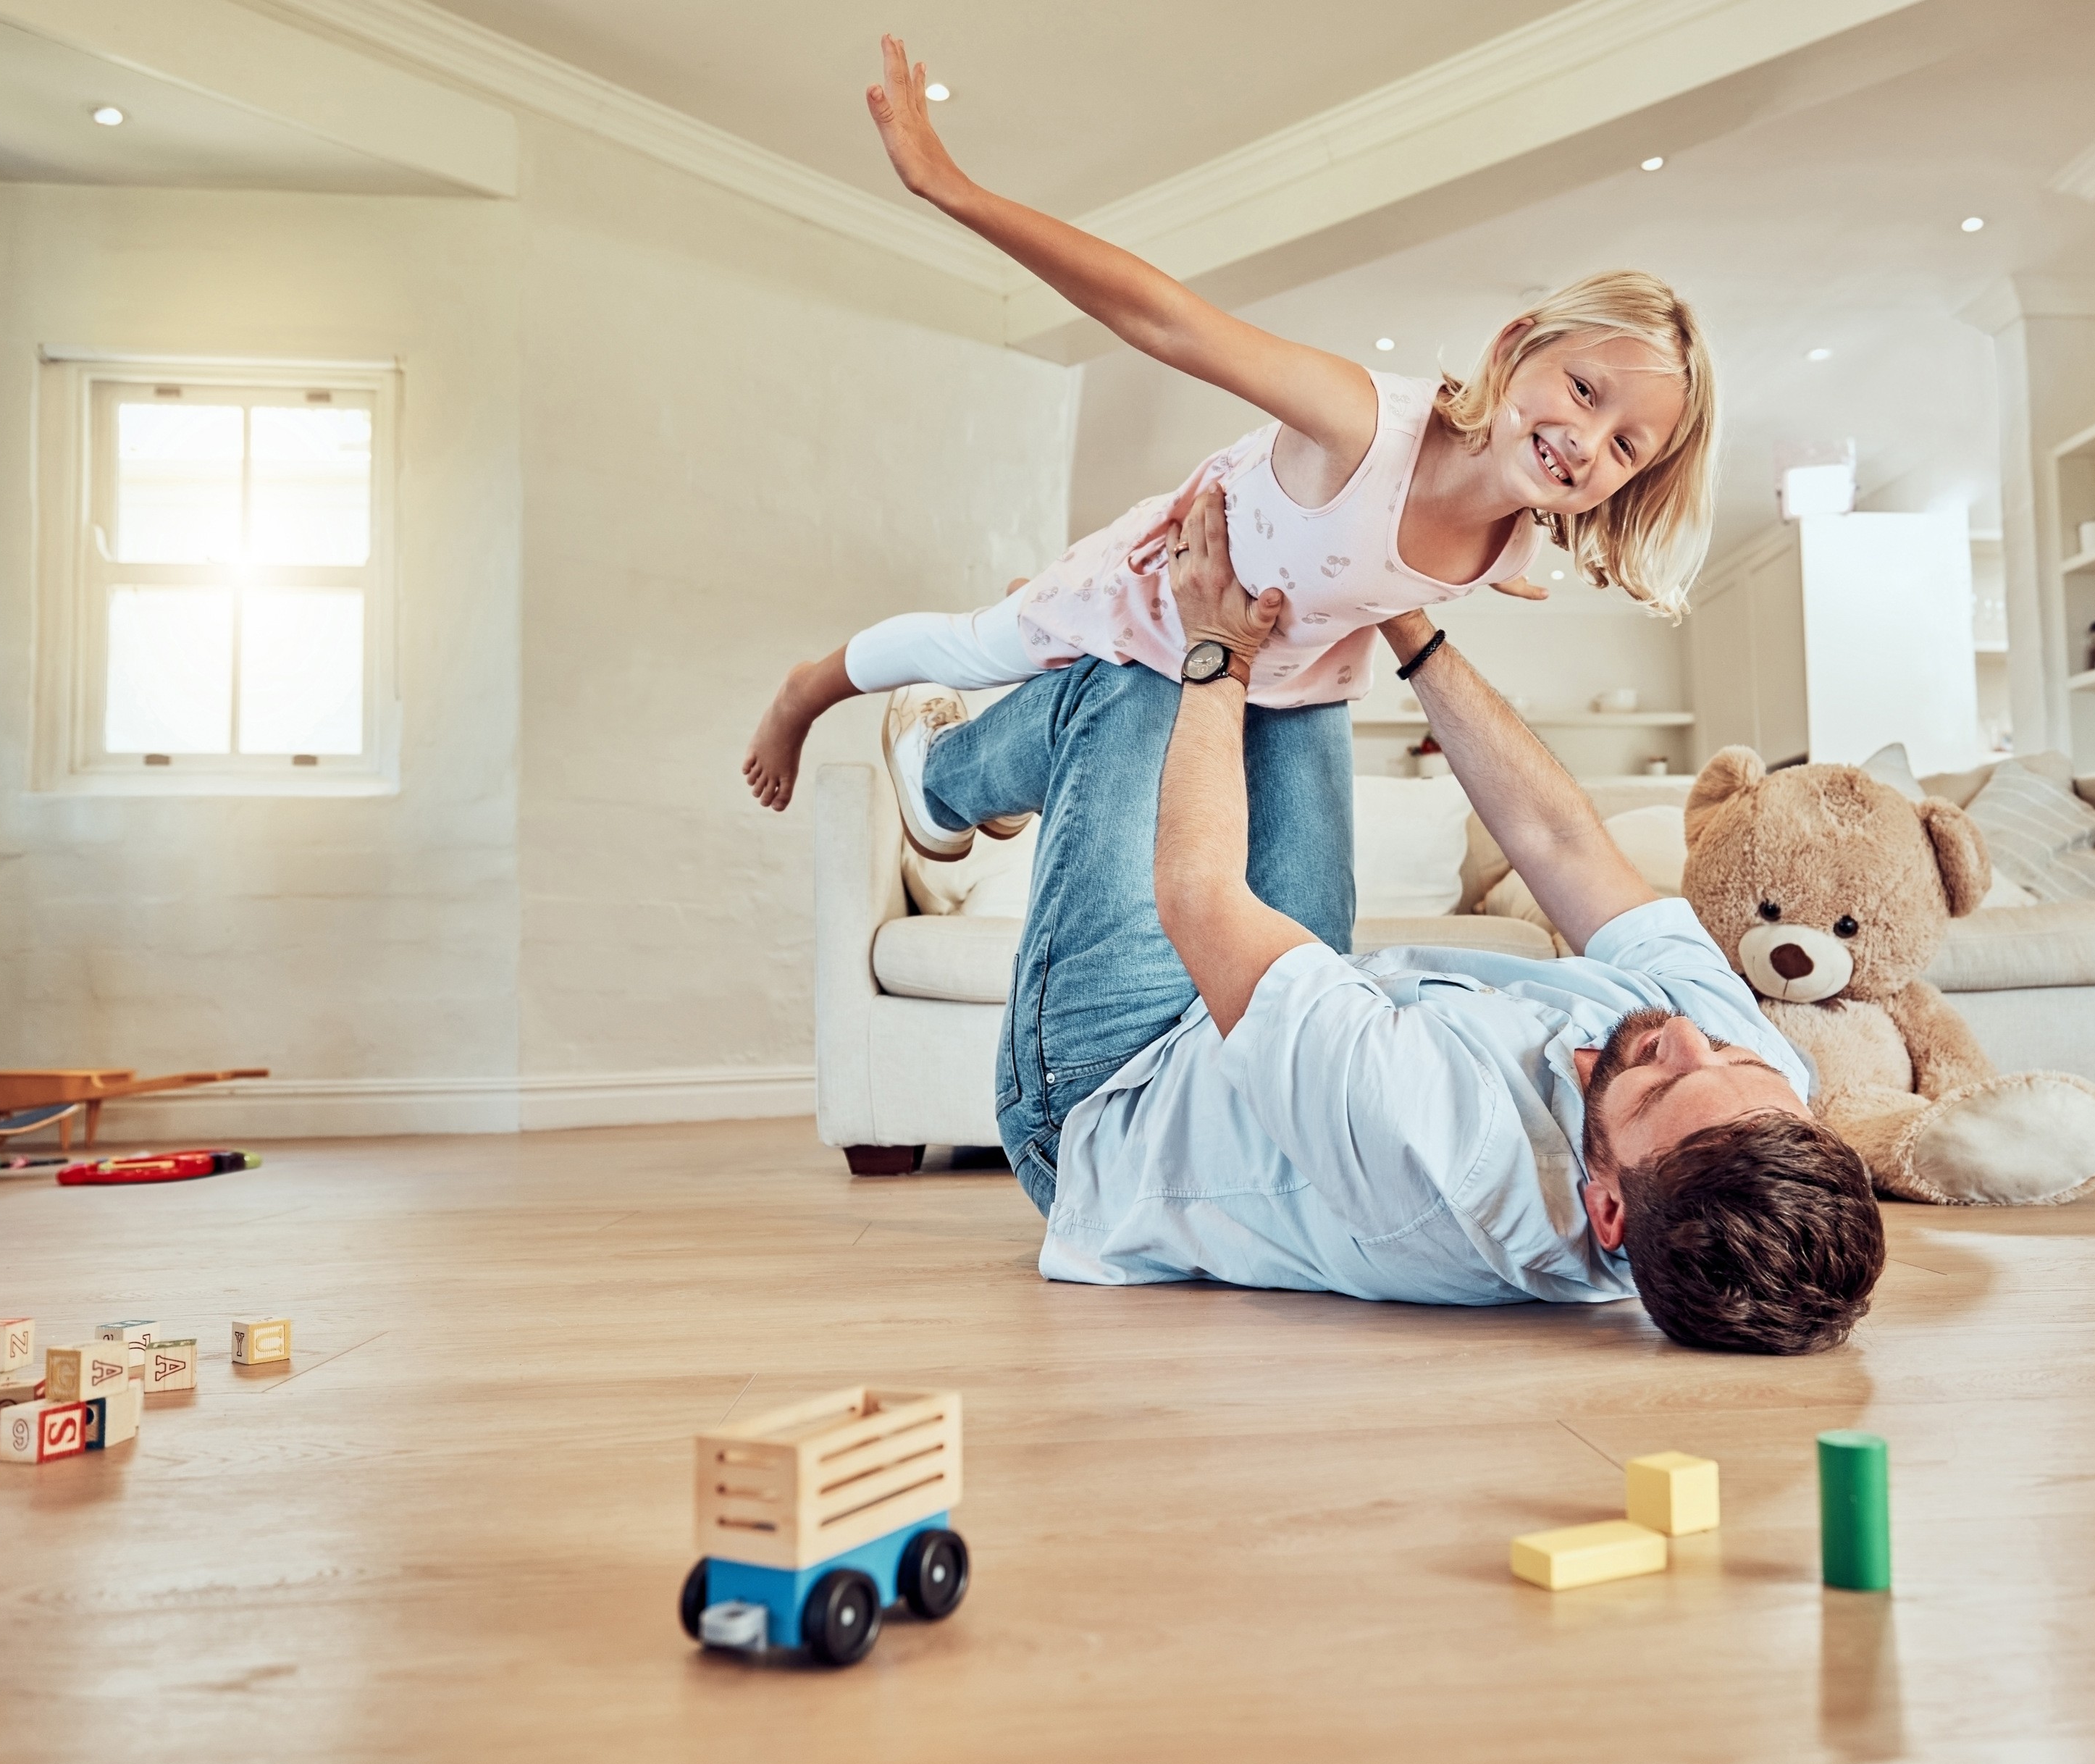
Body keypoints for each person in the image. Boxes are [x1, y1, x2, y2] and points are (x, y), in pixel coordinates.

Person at [883, 486, 1885, 1356]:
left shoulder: (1444, 1155)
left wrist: (1210, 653)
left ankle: (942, 783)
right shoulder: (1749, 1086)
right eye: (1735, 1064)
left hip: (1117, 1092)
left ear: (1607, 1210)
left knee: (1144, 659)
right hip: (1285, 1006)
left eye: (1661, 1086)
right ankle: (1049, 735)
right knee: (1316, 645)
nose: (1687, 1040)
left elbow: (1200, 899)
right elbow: (1560, 845)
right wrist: (1406, 616)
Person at [741, 35, 1717, 833]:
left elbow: (1406, 552)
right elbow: (1166, 319)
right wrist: (957, 191)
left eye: (1625, 446)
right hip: (1154, 602)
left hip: (1263, 679)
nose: (1589, 441)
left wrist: (1476, 549)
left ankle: (1031, 668)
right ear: (1517, 345)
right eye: (1584, 390)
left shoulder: (1505, 535)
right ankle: (810, 686)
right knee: (975, 650)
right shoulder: (1360, 420)